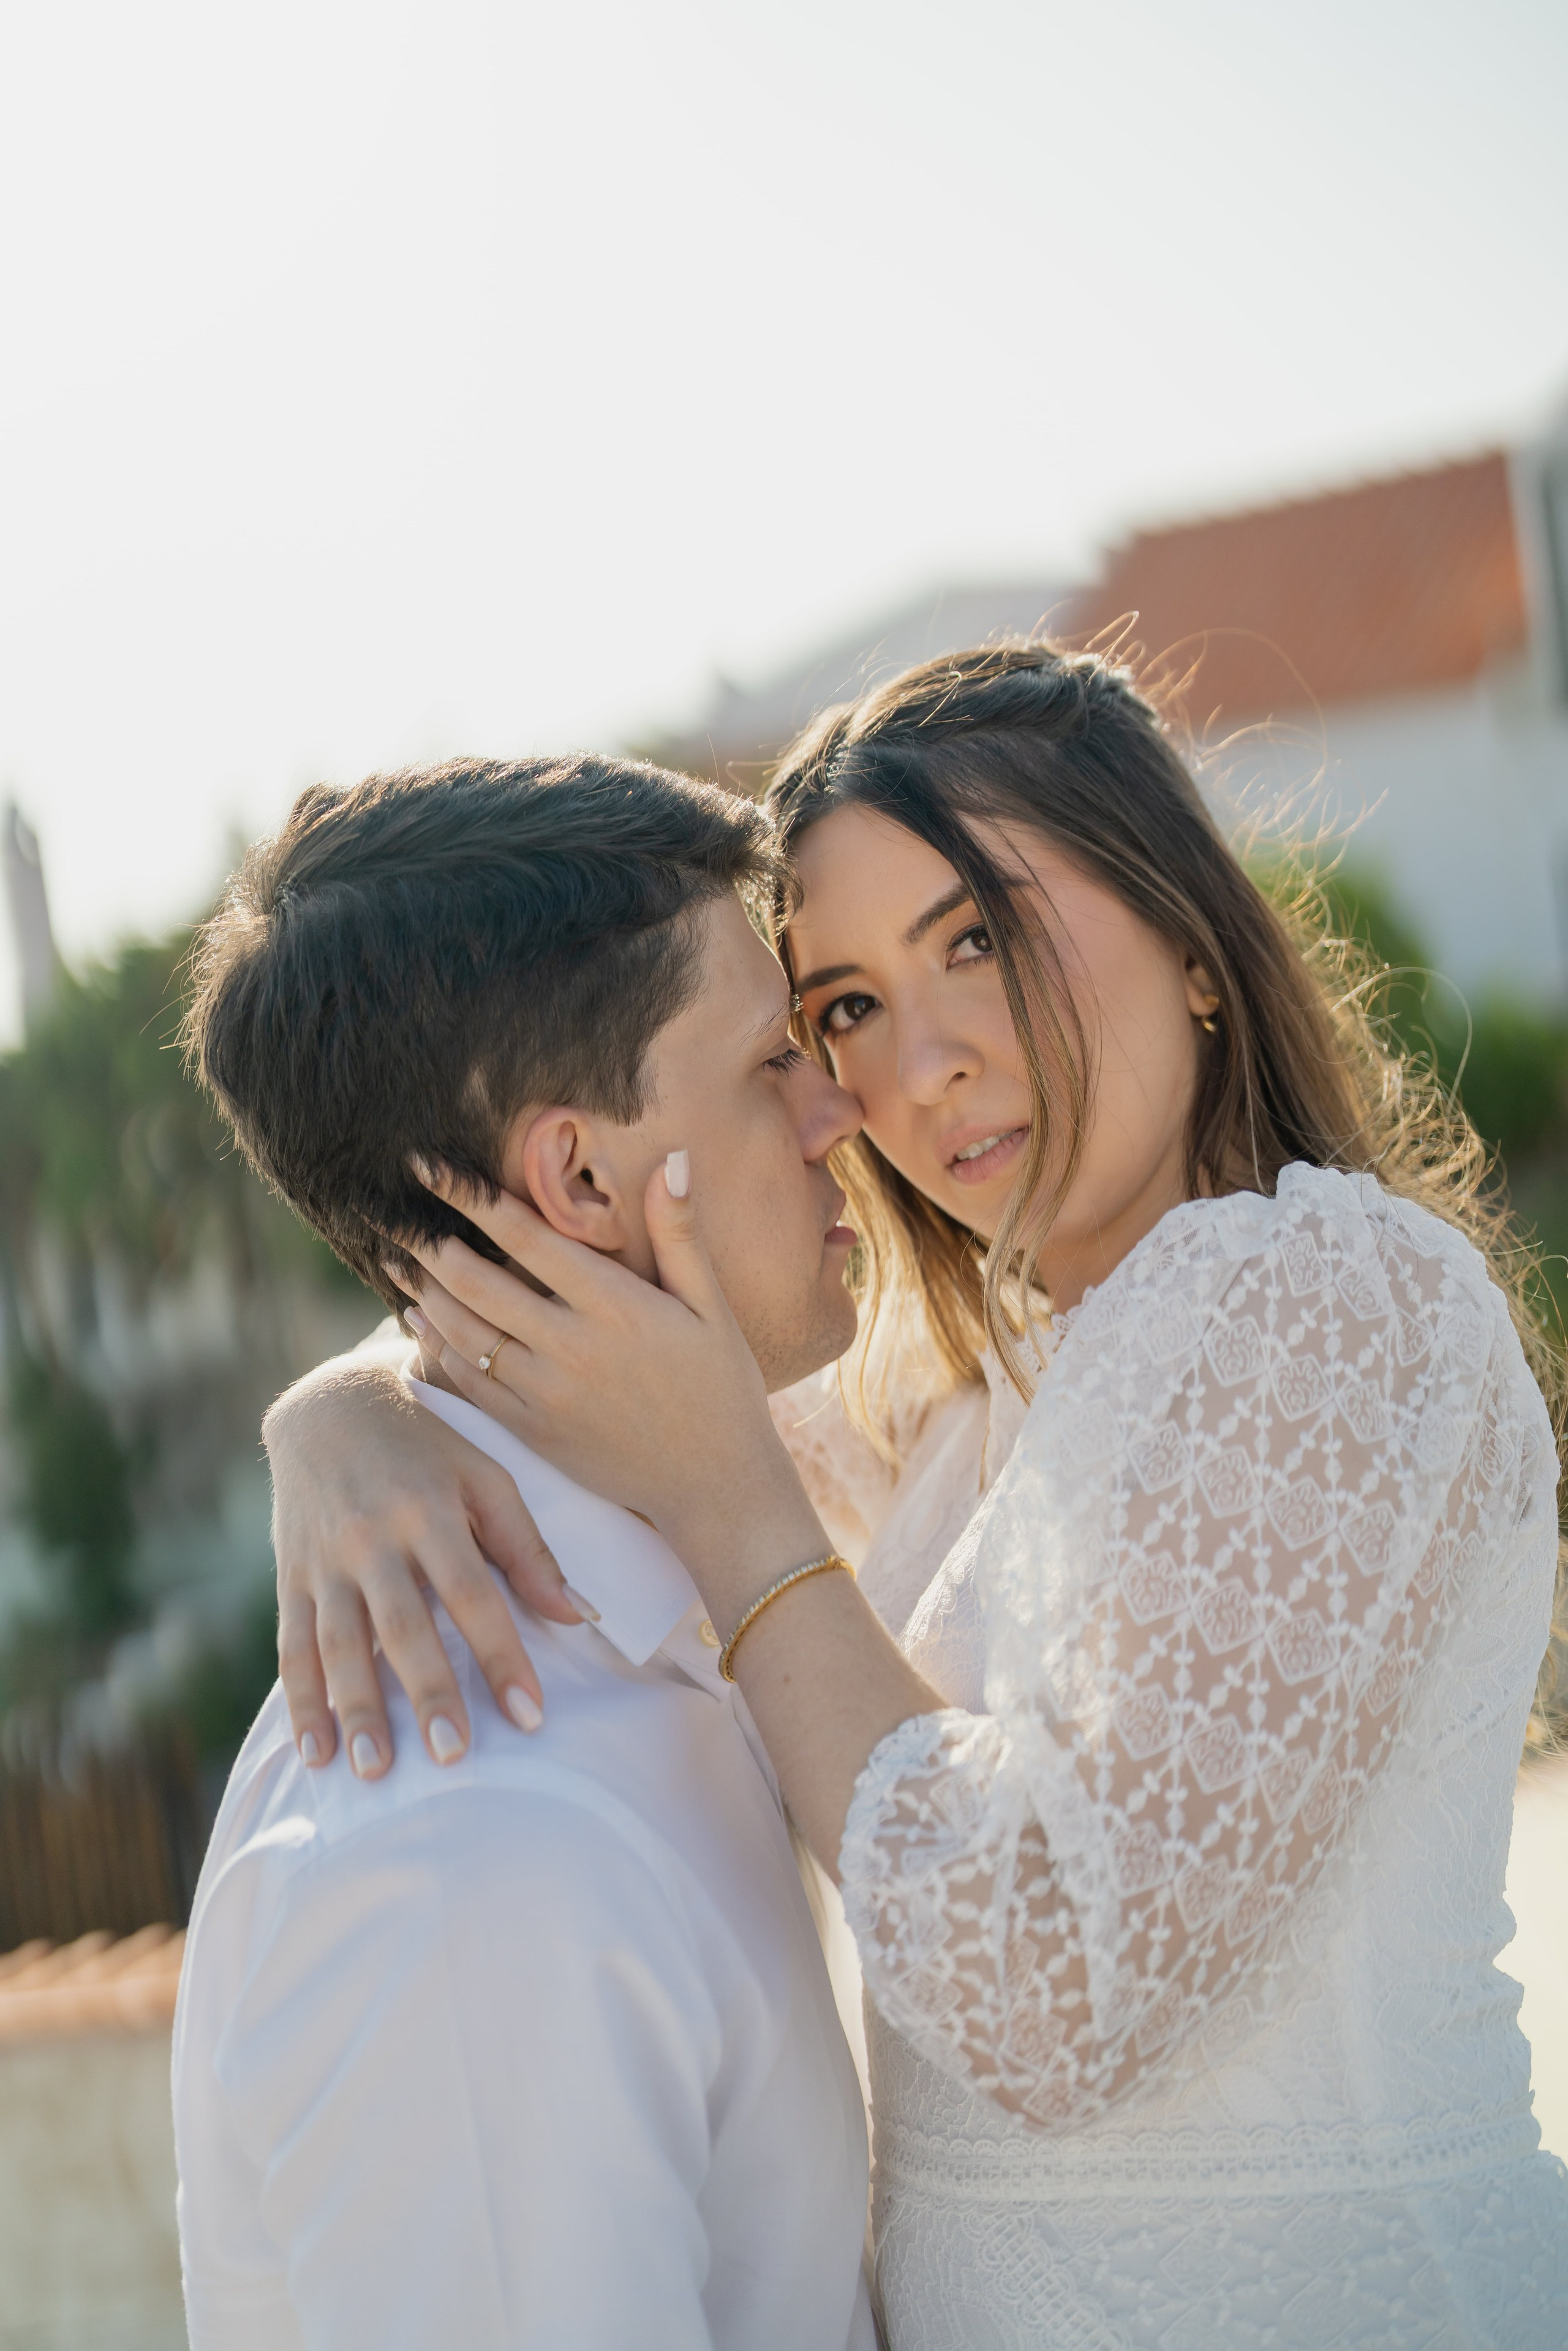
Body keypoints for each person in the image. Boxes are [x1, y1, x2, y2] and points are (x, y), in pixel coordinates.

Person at [265, 649, 1568, 2349]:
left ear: (1188, 934)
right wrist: (344, 1407)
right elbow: (593, 1368)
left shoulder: (1334, 1298)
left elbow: (1059, 2000)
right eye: (846, 1008)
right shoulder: (967, 1403)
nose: (917, 1064)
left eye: (978, 938)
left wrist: (744, 1519)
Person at [170, 755, 881, 2351]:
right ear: (574, 1177)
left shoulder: (653, 1624)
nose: (846, 1108)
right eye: (774, 1059)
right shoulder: (468, 1863)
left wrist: (345, 1397)